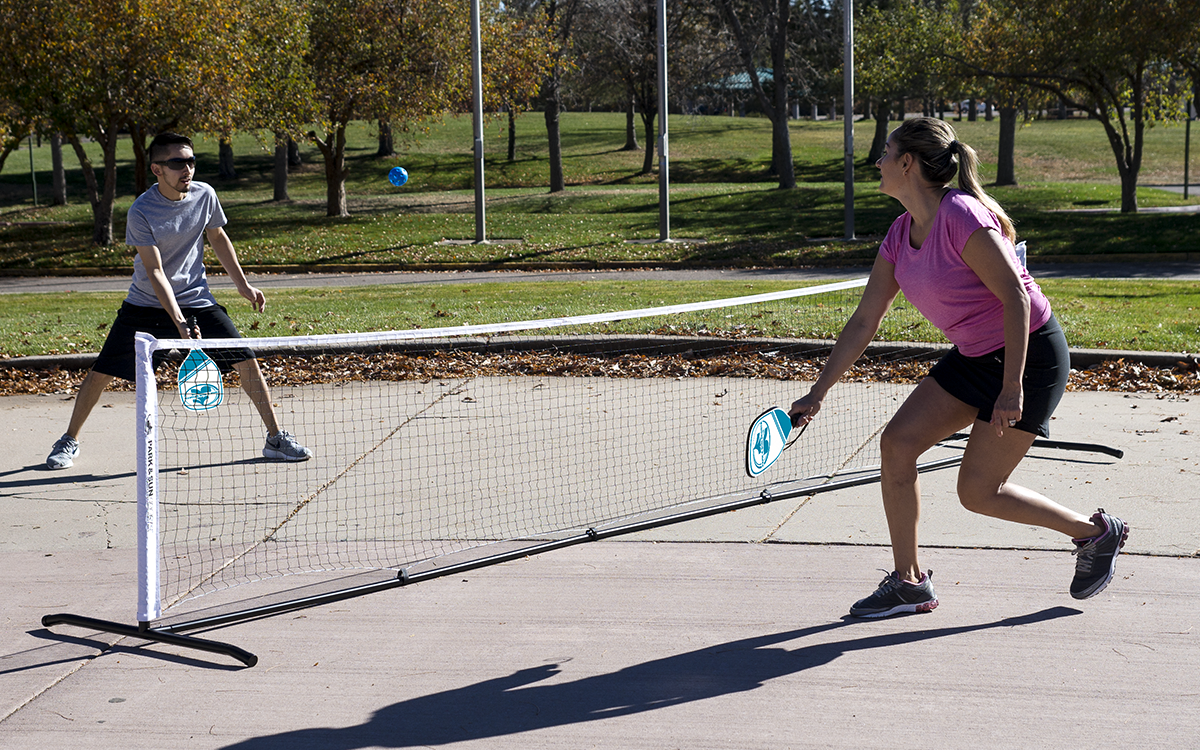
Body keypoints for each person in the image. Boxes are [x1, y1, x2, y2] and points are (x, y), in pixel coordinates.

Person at [788, 117, 1127, 618]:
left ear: (907, 163)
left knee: (977, 492)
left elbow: (1015, 297)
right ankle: (908, 583)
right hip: (973, 356)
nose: (877, 161)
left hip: (1029, 355)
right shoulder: (900, 234)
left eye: (885, 152)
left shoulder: (962, 216)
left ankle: (1095, 533)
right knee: (898, 444)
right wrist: (817, 393)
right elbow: (864, 321)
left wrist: (1010, 388)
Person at [46, 132, 312, 469]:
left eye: (190, 161)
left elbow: (217, 236)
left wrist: (242, 285)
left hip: (197, 300)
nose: (187, 169)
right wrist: (179, 323)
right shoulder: (142, 210)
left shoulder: (205, 195)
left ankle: (275, 438)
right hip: (145, 303)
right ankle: (69, 440)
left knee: (245, 359)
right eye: (177, 163)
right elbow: (155, 271)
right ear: (157, 169)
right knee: (103, 372)